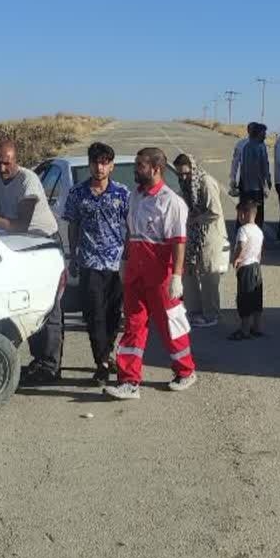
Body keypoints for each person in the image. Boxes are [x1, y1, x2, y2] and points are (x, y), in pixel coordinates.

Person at [104, 147, 197, 400]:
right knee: (133, 325)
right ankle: (129, 381)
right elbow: (130, 232)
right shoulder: (135, 195)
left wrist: (176, 277)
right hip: (136, 272)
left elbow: (179, 241)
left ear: (156, 169)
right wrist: (124, 260)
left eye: (140, 165)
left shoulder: (172, 202)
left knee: (170, 325)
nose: (135, 169)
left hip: (161, 276)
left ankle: (185, 371)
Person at [0, 140, 66, 383]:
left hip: (42, 242)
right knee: (30, 303)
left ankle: (51, 365)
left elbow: (19, 224)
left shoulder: (28, 181)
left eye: (7, 163)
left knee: (50, 306)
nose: (2, 168)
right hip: (20, 246)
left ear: (16, 161)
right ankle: (39, 360)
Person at [61, 142, 129, 386]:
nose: (99, 168)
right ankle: (100, 363)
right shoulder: (78, 193)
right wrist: (74, 257)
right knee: (94, 315)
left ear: (111, 166)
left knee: (112, 314)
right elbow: (73, 225)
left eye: (104, 163)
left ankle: (107, 352)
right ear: (90, 164)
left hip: (115, 263)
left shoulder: (122, 193)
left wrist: (129, 257)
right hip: (90, 262)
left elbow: (130, 227)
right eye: (95, 162)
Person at [174, 153, 225, 329]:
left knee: (209, 275)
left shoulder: (205, 182)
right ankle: (195, 312)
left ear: (193, 169)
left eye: (186, 173)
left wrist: (195, 219)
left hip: (209, 236)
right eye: (180, 174)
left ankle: (212, 314)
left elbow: (215, 212)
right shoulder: (184, 186)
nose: (184, 177)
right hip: (191, 236)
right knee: (189, 273)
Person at [230, 200, 266, 339]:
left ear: (244, 214)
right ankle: (257, 327)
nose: (238, 217)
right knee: (256, 298)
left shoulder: (243, 230)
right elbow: (261, 249)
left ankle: (244, 330)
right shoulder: (258, 230)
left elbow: (241, 245)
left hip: (246, 267)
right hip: (256, 266)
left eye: (238, 214)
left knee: (244, 297)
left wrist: (236, 258)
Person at [232, 122, 271, 223]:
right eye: (263, 133)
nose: (265, 135)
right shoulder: (256, 147)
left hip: (247, 184)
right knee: (255, 212)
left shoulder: (248, 146)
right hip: (255, 186)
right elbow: (260, 166)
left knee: (246, 209)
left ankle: (244, 229)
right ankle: (253, 233)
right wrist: (265, 183)